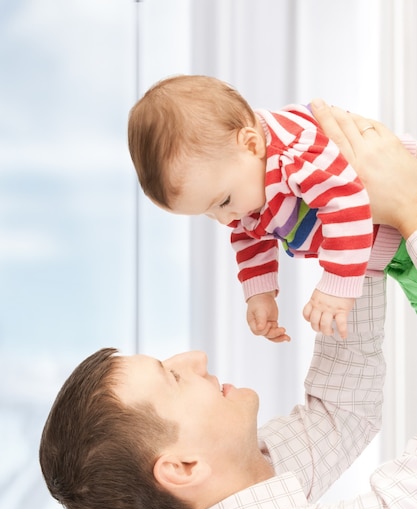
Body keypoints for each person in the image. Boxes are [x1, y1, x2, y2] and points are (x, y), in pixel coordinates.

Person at [39, 110, 417, 509]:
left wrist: (356, 258)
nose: (195, 358)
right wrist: (409, 204)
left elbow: (340, 412)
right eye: (172, 376)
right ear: (181, 467)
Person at [128, 74, 417, 342]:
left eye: (223, 202)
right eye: (208, 213)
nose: (224, 219)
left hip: (404, 218)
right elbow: (249, 233)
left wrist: (335, 287)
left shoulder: (294, 153)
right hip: (394, 255)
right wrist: (260, 292)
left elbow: (348, 201)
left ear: (251, 144)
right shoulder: (245, 177)